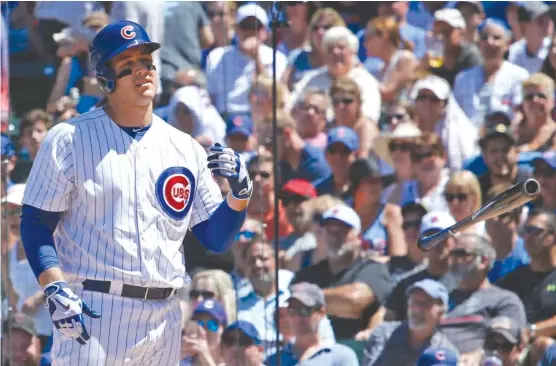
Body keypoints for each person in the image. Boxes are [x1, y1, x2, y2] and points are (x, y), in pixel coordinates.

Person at [19, 21, 252, 364]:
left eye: (146, 62)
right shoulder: (69, 139)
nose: (142, 71)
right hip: (96, 308)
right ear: (106, 78)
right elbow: (36, 221)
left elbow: (215, 238)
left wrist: (239, 197)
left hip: (166, 315)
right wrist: (55, 286)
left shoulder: (184, 147)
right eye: (128, 66)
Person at [292, 204, 394, 340]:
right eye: (330, 231)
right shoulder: (309, 274)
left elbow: (353, 301)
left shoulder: (372, 268)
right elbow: (290, 305)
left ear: (358, 236)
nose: (335, 237)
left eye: (342, 231)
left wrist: (307, 300)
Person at [237, 236, 335, 357]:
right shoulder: (237, 304)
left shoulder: (300, 298)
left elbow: (327, 342)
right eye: (251, 261)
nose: (257, 264)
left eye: (263, 258)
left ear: (276, 262)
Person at [440, 234, 527, 360]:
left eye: (460, 253)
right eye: (451, 253)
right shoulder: (439, 300)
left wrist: (478, 357)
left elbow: (509, 347)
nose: (452, 259)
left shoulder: (504, 300)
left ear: (483, 261)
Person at [206, 3, 287, 116]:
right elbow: (211, 97)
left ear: (264, 31)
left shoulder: (277, 58)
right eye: (245, 26)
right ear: (237, 29)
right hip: (224, 116)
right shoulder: (216, 56)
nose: (250, 31)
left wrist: (256, 57)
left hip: (258, 117)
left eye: (255, 26)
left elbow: (272, 95)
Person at [290, 26, 382, 124]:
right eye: (330, 49)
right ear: (324, 54)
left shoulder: (365, 81)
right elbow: (291, 109)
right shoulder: (310, 79)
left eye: (341, 47)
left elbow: (370, 116)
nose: (335, 52)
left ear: (352, 51)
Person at [452, 18, 530, 128]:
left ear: (507, 43)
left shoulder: (519, 76)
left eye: (496, 38)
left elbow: (520, 114)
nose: (489, 42)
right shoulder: (463, 78)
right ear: (478, 43)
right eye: (484, 38)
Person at [2, 184, 53, 351]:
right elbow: (11, 293)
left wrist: (38, 299)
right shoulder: (6, 253)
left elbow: (67, 277)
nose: (12, 219)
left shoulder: (50, 242)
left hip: (54, 331)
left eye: (17, 212)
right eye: (8, 213)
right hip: (24, 337)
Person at [362, 279, 457, 366]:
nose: (416, 309)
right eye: (413, 302)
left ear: (441, 313)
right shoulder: (384, 333)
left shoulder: (444, 352)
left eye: (424, 304)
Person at [384, 211, 456, 322]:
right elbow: (388, 317)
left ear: (454, 241)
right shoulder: (407, 283)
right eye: (430, 239)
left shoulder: (465, 280)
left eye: (443, 237)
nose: (437, 243)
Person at [266, 282, 359, 366]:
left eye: (303, 311)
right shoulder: (274, 360)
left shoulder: (341, 356)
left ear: (322, 312)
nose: (297, 318)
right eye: (292, 311)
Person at [497, 210, 556, 339]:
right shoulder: (511, 280)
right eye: (525, 231)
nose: (527, 238)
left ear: (553, 236)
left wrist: (531, 332)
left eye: (535, 231)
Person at [410, 75, 479, 171]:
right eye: (422, 97)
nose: (427, 103)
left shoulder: (457, 135)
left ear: (445, 104)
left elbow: (457, 168)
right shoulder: (407, 130)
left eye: (434, 99)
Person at [349, 155, 405, 257]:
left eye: (379, 182)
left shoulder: (390, 213)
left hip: (382, 271)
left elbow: (398, 256)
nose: (377, 186)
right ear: (356, 187)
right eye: (370, 182)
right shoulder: (346, 215)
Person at [160, 1, 213, 102]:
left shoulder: (153, 4)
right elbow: (208, 39)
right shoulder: (192, 3)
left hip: (163, 74)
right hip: (190, 76)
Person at [282, 8, 346, 89]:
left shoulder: (345, 59)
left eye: (326, 27)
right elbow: (282, 87)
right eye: (315, 28)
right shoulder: (298, 57)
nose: (320, 32)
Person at [364, 16, 418, 105]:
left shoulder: (404, 58)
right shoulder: (382, 66)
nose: (365, 43)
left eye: (368, 37)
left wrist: (361, 74)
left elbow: (388, 93)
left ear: (384, 37)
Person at [485, 184, 530, 283]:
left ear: (518, 219)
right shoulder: (476, 255)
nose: (494, 219)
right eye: (490, 213)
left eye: (502, 214)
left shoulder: (530, 254)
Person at [425, 8, 483, 86]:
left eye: (446, 32)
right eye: (437, 33)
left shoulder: (471, 55)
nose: (441, 37)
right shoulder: (433, 58)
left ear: (461, 32)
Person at [246, 153, 294, 241]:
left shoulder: (286, 212)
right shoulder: (237, 211)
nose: (257, 179)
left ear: (276, 178)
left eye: (264, 175)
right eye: (252, 174)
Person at [477, 122, 530, 200]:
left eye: (505, 150)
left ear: (516, 153)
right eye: (494, 151)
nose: (500, 156)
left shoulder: (530, 183)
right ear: (485, 157)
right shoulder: (478, 188)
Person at [328, 77, 379, 158]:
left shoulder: (365, 126)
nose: (341, 106)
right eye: (336, 101)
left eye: (347, 101)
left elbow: (363, 161)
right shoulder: (329, 126)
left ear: (358, 103)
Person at [276, 112, 331, 186]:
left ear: (286, 134)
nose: (267, 147)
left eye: (270, 140)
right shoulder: (281, 167)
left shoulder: (317, 164)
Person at [400, 133, 451, 212]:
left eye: (429, 155)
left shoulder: (454, 188)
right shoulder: (402, 191)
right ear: (412, 163)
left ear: (443, 157)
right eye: (418, 157)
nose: (424, 161)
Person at [374, 122, 422, 205]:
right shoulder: (382, 187)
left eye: (404, 146)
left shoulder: (424, 185)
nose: (397, 152)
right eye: (393, 146)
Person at [278, 179, 318, 267]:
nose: (291, 206)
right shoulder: (277, 243)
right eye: (286, 201)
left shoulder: (323, 239)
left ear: (314, 203)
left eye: (298, 199)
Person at [508, 2, 553, 74]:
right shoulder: (512, 53)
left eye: (548, 18)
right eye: (540, 20)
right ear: (523, 27)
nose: (547, 23)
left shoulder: (553, 50)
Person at [388, 201, 429, 281]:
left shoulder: (434, 265)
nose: (411, 230)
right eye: (406, 225)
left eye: (417, 224)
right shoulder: (392, 265)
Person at [516, 73, 556, 152]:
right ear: (523, 102)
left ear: (552, 101)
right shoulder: (513, 129)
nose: (535, 100)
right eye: (529, 96)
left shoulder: (554, 133)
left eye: (541, 96)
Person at [180, 299, 227, 366]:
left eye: (212, 324)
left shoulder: (232, 362)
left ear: (223, 329)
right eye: (200, 323)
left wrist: (205, 355)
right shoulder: (182, 360)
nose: (204, 330)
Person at [316, 126, 358, 198]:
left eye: (345, 151)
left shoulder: (362, 190)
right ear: (326, 155)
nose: (338, 157)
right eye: (332, 150)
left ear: (356, 155)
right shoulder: (317, 191)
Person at [443, 170, 484, 235]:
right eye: (450, 197)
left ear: (474, 199)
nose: (455, 202)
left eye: (461, 196)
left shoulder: (486, 229)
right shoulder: (440, 227)